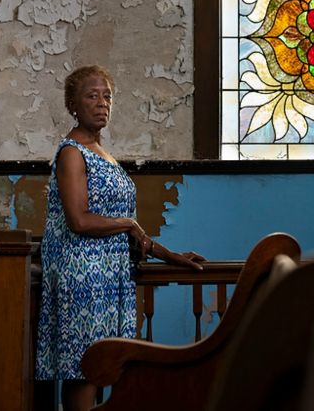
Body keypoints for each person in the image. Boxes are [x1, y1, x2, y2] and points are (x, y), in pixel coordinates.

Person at [35, 65, 205, 411]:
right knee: (84, 370)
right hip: (83, 275)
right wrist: (128, 224)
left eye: (107, 96)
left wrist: (167, 254)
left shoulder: (104, 155)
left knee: (104, 369)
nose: (102, 103)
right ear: (73, 104)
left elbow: (128, 228)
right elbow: (79, 220)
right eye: (92, 95)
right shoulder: (72, 152)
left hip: (112, 276)